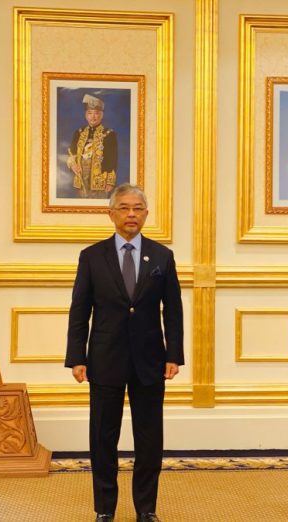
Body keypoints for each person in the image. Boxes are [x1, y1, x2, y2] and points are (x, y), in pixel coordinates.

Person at [65, 183, 184, 522]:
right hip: (105, 359)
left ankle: (146, 508)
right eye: (124, 208)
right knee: (103, 437)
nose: (131, 214)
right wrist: (77, 357)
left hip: (150, 361)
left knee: (149, 439)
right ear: (111, 214)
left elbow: (173, 310)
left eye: (138, 208)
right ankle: (105, 509)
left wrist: (173, 354)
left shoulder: (162, 256)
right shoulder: (92, 256)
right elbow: (80, 310)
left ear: (146, 214)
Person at [66, 94, 118, 199]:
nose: (93, 117)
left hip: (100, 182)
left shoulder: (109, 134)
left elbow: (113, 159)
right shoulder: (79, 133)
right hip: (81, 180)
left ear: (101, 115)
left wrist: (110, 182)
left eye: (96, 113)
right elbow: (71, 155)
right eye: (90, 113)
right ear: (86, 115)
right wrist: (72, 165)